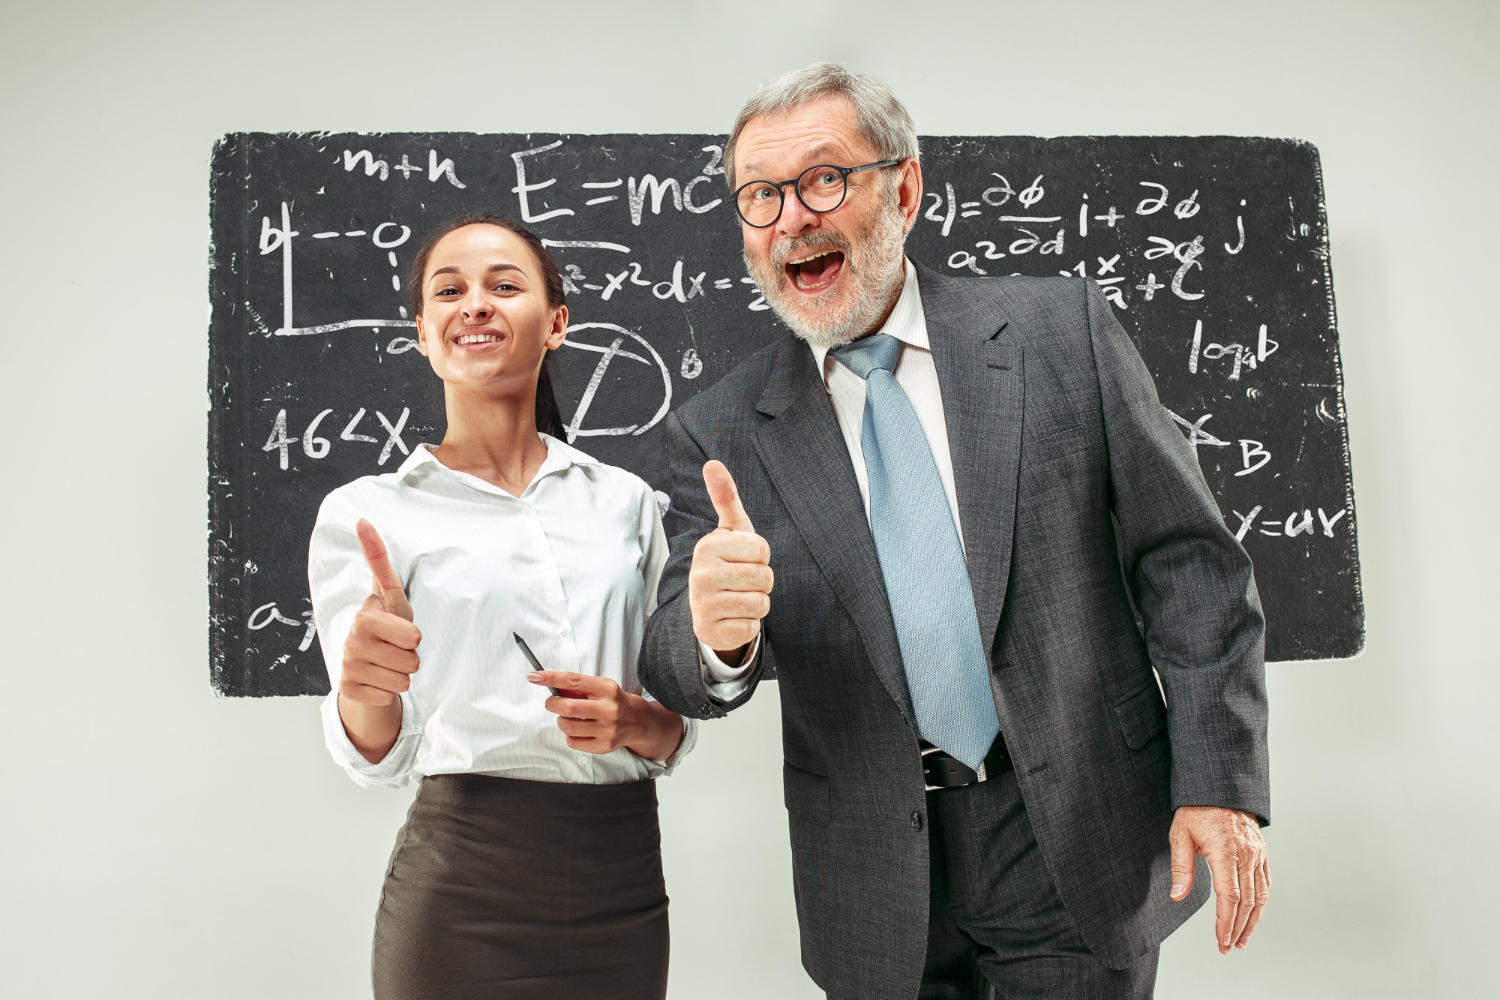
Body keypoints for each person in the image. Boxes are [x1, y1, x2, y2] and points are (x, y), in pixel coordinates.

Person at [639, 64, 1270, 1000]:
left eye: (823, 180)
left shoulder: (1062, 333)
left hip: (1076, 835)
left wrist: (1217, 781)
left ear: (904, 189)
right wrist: (713, 636)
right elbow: (672, 659)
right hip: (874, 876)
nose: (792, 218)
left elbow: (1190, 564)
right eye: (760, 196)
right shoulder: (718, 431)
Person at [308, 214, 694, 1000]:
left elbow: (672, 726)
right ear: (424, 333)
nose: (475, 304)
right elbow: (377, 754)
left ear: (556, 324)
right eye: (449, 291)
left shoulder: (624, 503)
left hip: (622, 883)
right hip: (464, 889)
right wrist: (364, 688)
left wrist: (631, 720)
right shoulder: (368, 515)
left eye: (504, 286)